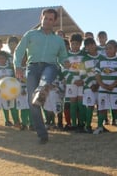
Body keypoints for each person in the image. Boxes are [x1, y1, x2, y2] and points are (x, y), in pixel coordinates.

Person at [14, 8, 69, 144]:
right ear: (41, 18)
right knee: (32, 102)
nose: (48, 21)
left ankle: (42, 89)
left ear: (54, 21)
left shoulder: (58, 40)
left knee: (43, 85)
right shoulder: (30, 34)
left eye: (51, 19)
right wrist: (17, 66)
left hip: (50, 67)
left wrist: (66, 63)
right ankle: (42, 134)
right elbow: (19, 51)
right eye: (46, 18)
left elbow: (62, 58)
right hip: (32, 68)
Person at [93, 40, 117, 134]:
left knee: (116, 108)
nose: (108, 50)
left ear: (116, 49)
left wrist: (113, 85)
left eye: (110, 48)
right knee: (102, 108)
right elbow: (97, 74)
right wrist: (102, 85)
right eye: (106, 48)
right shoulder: (101, 60)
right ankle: (99, 127)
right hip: (103, 90)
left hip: (115, 89)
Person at [63, 33, 86, 131]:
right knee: (72, 103)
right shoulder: (66, 56)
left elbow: (86, 69)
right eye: (73, 44)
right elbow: (64, 71)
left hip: (81, 83)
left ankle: (81, 124)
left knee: (80, 103)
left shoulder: (83, 55)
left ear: (80, 44)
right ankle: (73, 124)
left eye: (77, 44)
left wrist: (82, 80)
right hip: (71, 83)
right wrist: (73, 80)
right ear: (70, 44)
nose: (74, 46)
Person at [82, 37, 103, 133]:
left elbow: (104, 72)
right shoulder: (84, 59)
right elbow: (82, 74)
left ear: (95, 45)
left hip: (100, 86)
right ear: (85, 47)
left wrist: (99, 84)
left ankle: (100, 126)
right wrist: (91, 84)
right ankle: (88, 126)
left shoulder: (102, 58)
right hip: (88, 87)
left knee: (101, 106)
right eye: (87, 46)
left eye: (92, 44)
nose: (90, 47)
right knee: (90, 106)